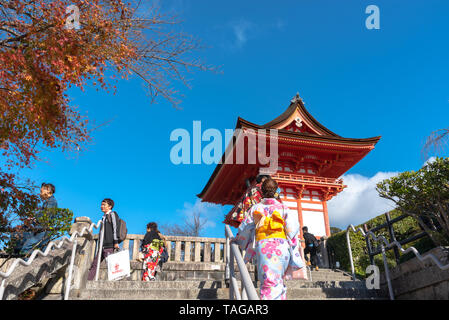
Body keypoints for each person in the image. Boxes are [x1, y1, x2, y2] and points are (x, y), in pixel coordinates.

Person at [234, 178, 305, 300]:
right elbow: (293, 230)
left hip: (265, 248)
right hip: (282, 247)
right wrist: (293, 249)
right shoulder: (283, 208)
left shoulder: (255, 208)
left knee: (269, 283)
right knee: (278, 282)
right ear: (276, 191)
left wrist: (238, 240)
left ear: (261, 191)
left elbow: (245, 229)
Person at [15, 183, 58, 255]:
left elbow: (46, 217)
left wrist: (34, 220)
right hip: (44, 229)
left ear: (48, 190)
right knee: (44, 249)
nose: (40, 193)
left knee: (26, 247)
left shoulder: (51, 202)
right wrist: (33, 218)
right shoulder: (49, 202)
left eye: (41, 191)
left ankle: (25, 264)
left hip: (42, 229)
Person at [87, 198, 120, 281]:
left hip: (109, 244)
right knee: (95, 264)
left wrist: (115, 242)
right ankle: (87, 282)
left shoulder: (112, 214)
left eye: (104, 205)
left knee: (111, 265)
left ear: (110, 206)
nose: (101, 206)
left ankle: (115, 283)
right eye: (101, 204)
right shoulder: (103, 217)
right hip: (102, 246)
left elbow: (115, 228)